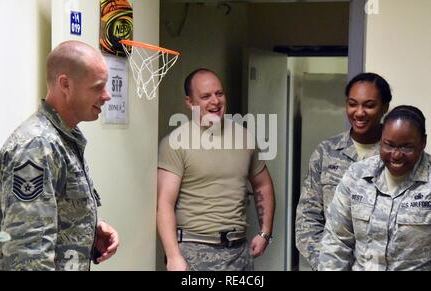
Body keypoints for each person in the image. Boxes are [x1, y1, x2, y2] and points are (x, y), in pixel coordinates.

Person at [0, 40, 119, 271]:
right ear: (65, 84)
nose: (107, 96)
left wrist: (89, 230)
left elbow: (52, 218)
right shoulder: (36, 145)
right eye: (97, 87)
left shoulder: (64, 138)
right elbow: (27, 254)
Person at [157, 68, 275, 271]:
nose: (215, 101)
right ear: (190, 102)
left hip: (239, 252)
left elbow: (262, 184)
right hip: (194, 252)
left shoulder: (244, 137)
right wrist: (173, 255)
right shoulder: (175, 143)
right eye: (205, 96)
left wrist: (265, 233)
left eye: (219, 93)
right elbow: (164, 204)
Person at [319, 105, 431, 271]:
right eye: (389, 145)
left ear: (423, 142)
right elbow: (336, 242)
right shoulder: (357, 175)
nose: (396, 154)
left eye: (406, 147)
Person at [295, 73, 392, 270]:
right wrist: (327, 263)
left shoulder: (397, 154)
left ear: (384, 108)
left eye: (369, 105)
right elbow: (307, 217)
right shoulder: (326, 151)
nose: (359, 112)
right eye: (352, 103)